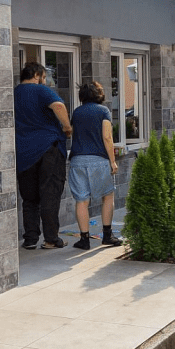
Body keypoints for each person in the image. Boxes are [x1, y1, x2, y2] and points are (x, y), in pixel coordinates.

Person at [15, 62, 73, 249]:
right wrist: (67, 127)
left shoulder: (14, 93)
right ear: (36, 75)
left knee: (29, 199)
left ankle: (30, 239)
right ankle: (51, 239)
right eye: (44, 77)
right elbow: (58, 106)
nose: (45, 81)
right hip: (49, 149)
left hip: (24, 154)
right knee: (50, 195)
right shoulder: (40, 90)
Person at [68, 81, 122, 250]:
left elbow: (71, 133)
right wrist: (112, 160)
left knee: (82, 200)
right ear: (99, 94)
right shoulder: (103, 111)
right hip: (98, 160)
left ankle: (84, 240)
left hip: (77, 161)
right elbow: (107, 137)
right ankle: (107, 235)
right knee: (108, 196)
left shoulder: (77, 112)